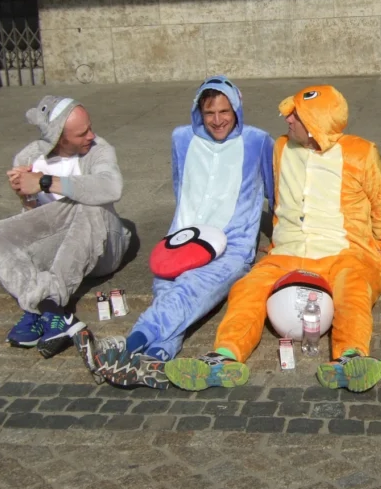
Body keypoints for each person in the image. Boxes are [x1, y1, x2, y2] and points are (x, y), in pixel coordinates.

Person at [164, 84, 381, 393]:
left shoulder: (361, 152)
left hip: (344, 252)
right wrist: (277, 238)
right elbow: (277, 199)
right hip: (287, 252)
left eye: (296, 116)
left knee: (353, 290)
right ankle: (224, 357)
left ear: (318, 123)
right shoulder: (281, 148)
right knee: (247, 288)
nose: (287, 120)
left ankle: (350, 358)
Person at [73, 76, 275, 389]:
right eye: (209, 113)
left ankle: (128, 345)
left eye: (225, 111)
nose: (218, 120)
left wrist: (279, 239)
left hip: (231, 245)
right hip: (180, 241)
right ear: (198, 112)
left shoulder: (257, 140)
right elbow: (180, 184)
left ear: (236, 109)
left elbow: (276, 195)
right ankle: (157, 358)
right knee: (168, 291)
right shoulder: (182, 138)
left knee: (189, 289)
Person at [0, 96, 131, 359]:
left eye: (90, 127)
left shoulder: (99, 150)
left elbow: (111, 188)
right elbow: (36, 222)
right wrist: (26, 199)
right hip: (60, 246)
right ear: (60, 136)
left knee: (90, 204)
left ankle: (47, 304)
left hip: (104, 244)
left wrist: (46, 182)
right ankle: (50, 311)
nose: (91, 136)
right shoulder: (28, 157)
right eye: (82, 133)